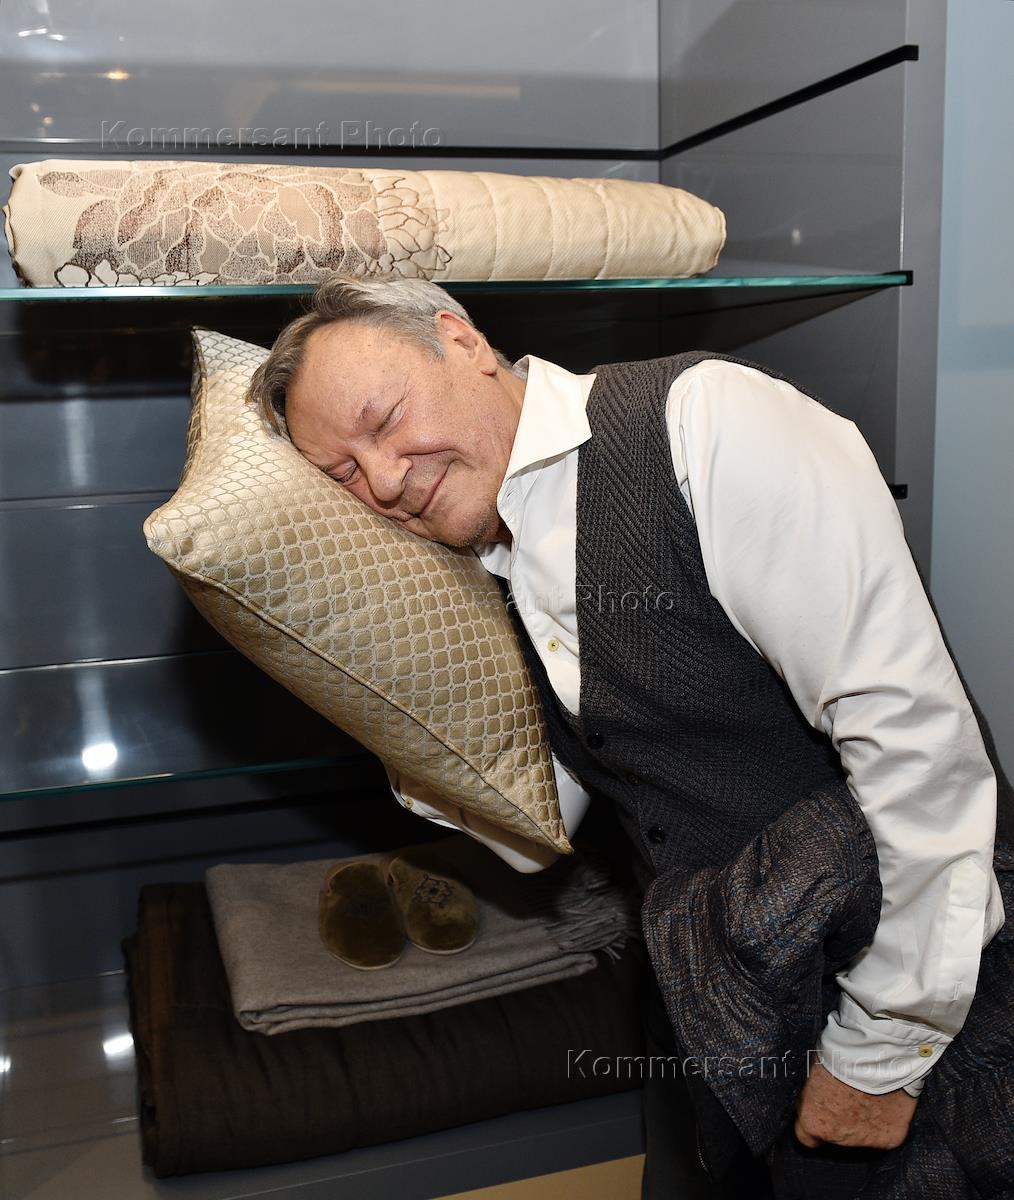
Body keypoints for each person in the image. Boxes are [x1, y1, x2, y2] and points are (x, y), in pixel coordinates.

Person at [248, 274, 1005, 1197]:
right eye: (343, 475)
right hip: (707, 991)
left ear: (462, 341)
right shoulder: (484, 560)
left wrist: (882, 1050)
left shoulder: (706, 422)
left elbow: (918, 745)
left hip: (890, 981)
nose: (384, 480)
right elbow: (543, 828)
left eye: (385, 418)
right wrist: (383, 696)